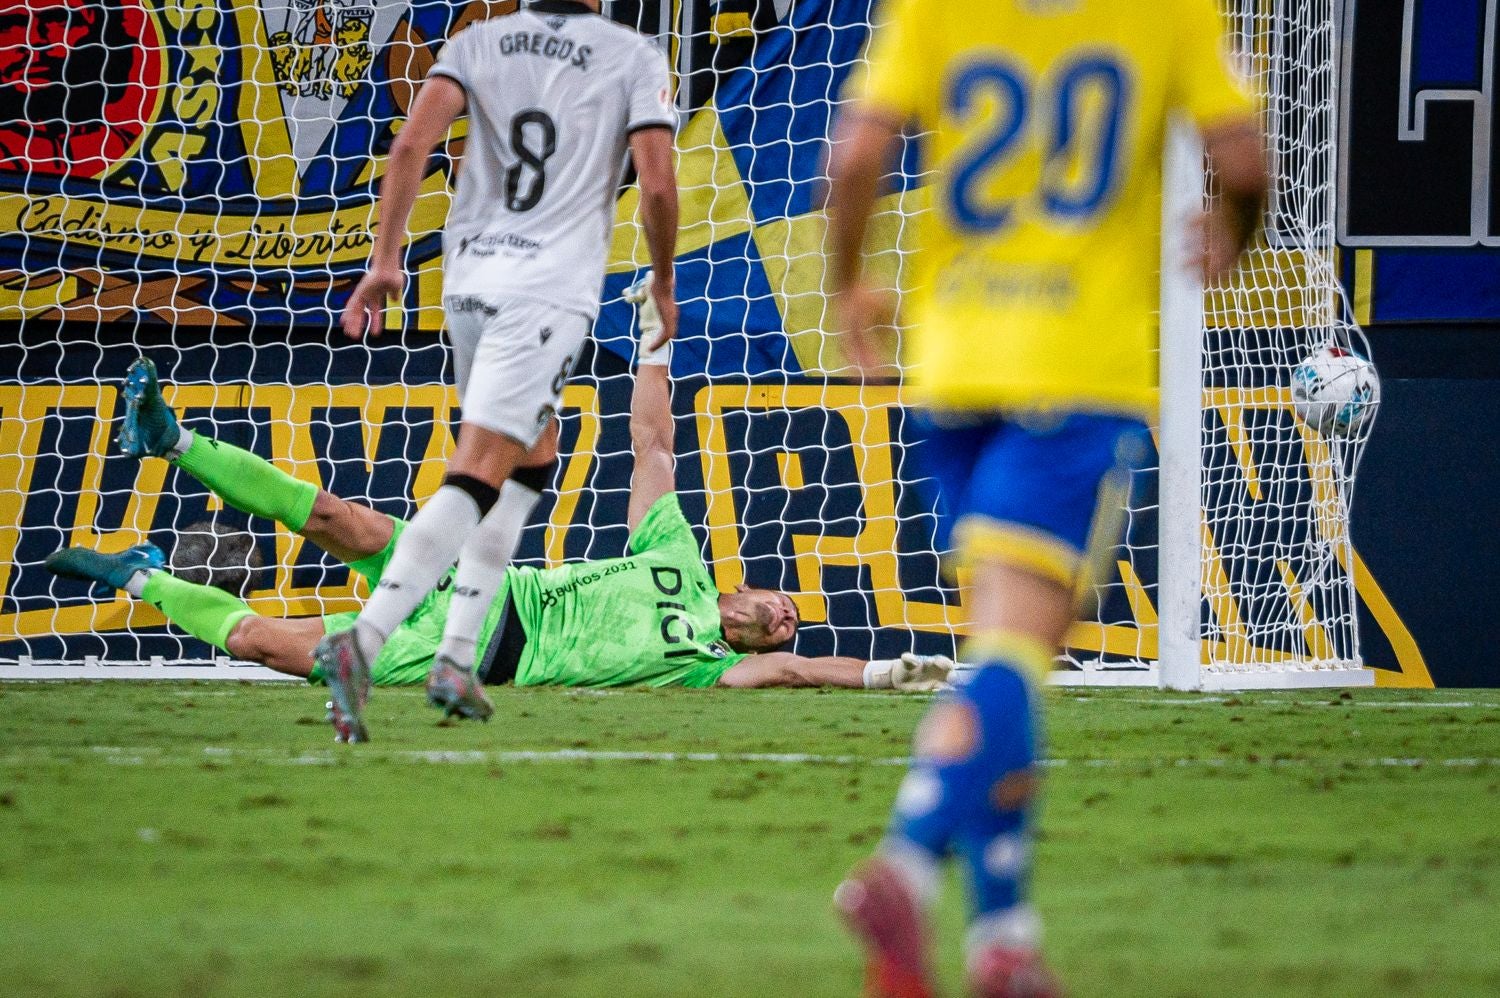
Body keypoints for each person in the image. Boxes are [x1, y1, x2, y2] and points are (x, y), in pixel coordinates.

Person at [824, 1, 1269, 995]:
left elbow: (856, 156)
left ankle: (1005, 939)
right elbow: (1240, 163)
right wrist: (1235, 232)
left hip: (954, 367)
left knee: (1004, 655)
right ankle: (901, 863)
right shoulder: (1169, 12)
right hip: (1074, 374)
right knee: (1018, 658)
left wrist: (848, 279)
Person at [46, 347, 954, 734]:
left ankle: (149, 579)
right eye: (784, 611)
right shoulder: (677, 553)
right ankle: (173, 441)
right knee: (335, 518)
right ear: (756, 591)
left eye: (786, 629)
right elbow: (652, 445)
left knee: (276, 648)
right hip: (487, 589)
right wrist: (652, 344)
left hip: (479, 660)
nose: (785, 624)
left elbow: (796, 675)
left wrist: (882, 674)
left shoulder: (704, 668)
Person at [324, 0, 683, 737]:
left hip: (469, 281)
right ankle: (362, 643)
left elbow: (409, 147)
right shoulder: (632, 53)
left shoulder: (476, 41)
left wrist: (387, 262)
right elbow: (655, 184)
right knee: (482, 466)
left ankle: (457, 657)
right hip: (546, 289)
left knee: (532, 454)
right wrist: (665, 280)